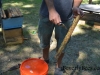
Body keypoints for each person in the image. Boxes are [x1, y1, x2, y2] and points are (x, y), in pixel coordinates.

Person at [38, 0, 83, 75]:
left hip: (66, 16)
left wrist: (75, 6)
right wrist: (51, 10)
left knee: (63, 42)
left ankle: (58, 66)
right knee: (44, 38)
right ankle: (45, 59)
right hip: (46, 13)